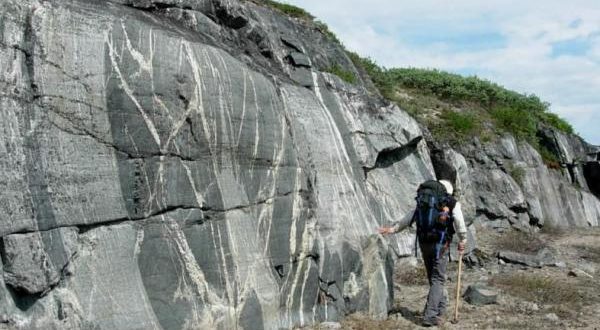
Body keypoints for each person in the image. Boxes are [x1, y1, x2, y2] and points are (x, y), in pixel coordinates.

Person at [378, 179, 467, 327]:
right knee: (438, 279)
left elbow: (409, 218)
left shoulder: (424, 201)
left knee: (434, 278)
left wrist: (392, 230)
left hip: (424, 243)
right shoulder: (451, 202)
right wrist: (463, 239)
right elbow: (459, 222)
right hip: (440, 245)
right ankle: (430, 316)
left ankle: (440, 308)